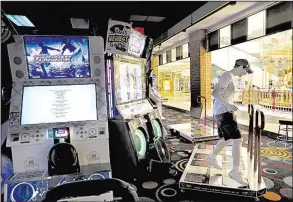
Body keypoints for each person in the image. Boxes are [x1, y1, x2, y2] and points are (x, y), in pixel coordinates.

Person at [205, 59, 253, 185]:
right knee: (238, 139)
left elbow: (223, 94)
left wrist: (230, 105)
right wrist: (229, 105)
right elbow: (214, 93)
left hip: (224, 111)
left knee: (228, 138)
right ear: (241, 66)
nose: (245, 73)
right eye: (245, 70)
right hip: (224, 111)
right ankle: (235, 172)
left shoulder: (230, 76)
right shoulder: (227, 76)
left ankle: (211, 158)